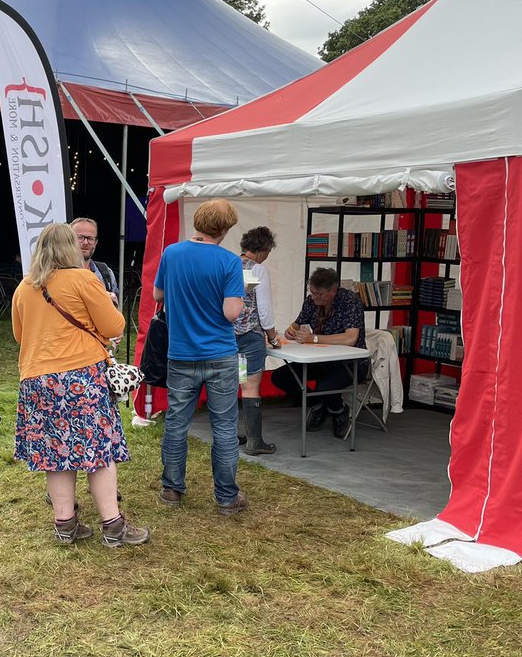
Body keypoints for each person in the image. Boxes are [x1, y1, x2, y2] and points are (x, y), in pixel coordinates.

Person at [11, 223, 148, 547]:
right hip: (81, 379)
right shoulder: (84, 279)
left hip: (37, 380)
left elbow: (20, 336)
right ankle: (113, 526)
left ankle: (66, 525)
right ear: (71, 248)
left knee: (55, 455)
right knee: (98, 452)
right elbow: (114, 325)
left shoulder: (24, 286)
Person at [153, 199, 247, 514]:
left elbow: (158, 295)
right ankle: (226, 498)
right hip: (220, 354)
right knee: (223, 426)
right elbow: (231, 312)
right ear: (224, 228)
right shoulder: (230, 262)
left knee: (177, 423)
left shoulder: (172, 253)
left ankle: (172, 489)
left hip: (180, 353)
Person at [278, 267, 368, 439]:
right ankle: (318, 403)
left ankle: (338, 409)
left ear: (333, 291)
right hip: (318, 360)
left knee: (325, 386)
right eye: (312, 292)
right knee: (281, 377)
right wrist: (291, 330)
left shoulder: (349, 302)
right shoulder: (311, 301)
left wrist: (315, 339)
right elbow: (298, 323)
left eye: (319, 294)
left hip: (350, 363)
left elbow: (351, 338)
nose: (314, 297)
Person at [235, 227, 281, 455]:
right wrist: (273, 337)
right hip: (250, 338)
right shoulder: (258, 270)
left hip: (227, 337)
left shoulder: (228, 265)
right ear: (263, 250)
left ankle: (230, 436)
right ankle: (255, 442)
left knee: (231, 383)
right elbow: (263, 310)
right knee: (250, 385)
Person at [71, 217, 119, 306]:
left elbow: (117, 313)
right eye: (80, 237)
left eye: (90, 238)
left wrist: (113, 302)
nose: (85, 242)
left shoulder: (105, 273)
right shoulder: (58, 274)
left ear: (96, 242)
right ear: (69, 240)